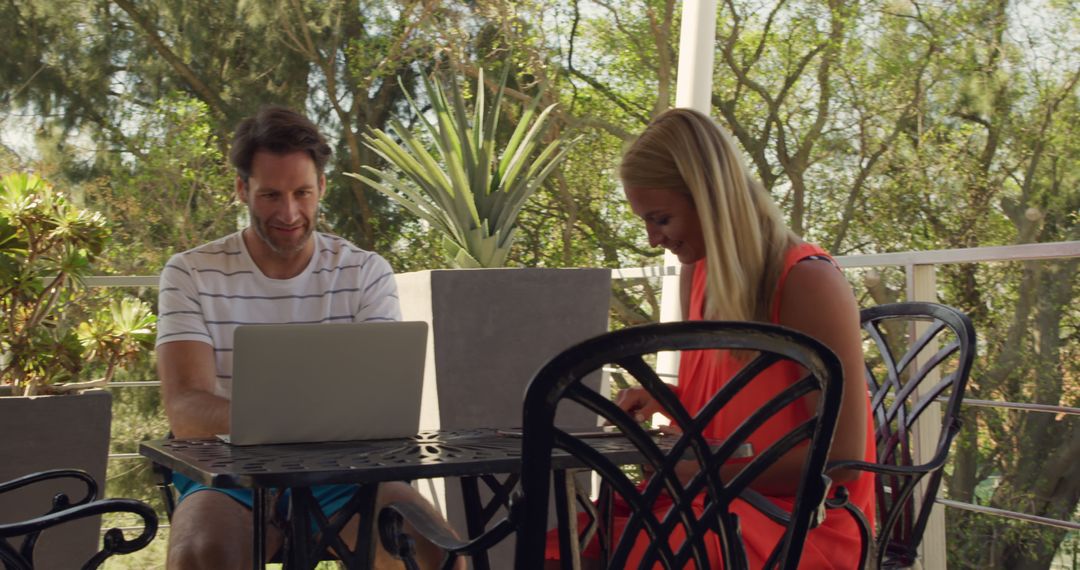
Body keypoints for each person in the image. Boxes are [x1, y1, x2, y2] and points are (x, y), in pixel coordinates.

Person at [546, 108, 876, 568]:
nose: (652, 238)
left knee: (643, 554)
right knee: (559, 547)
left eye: (661, 219)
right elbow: (737, 407)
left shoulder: (807, 281)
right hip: (711, 501)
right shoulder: (696, 272)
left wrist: (696, 472)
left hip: (802, 521)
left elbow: (841, 459)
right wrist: (669, 400)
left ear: (710, 198)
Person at [156, 105, 456, 569]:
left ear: (322, 189)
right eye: (270, 195)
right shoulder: (191, 272)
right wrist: (300, 421)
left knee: (435, 552)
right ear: (242, 189)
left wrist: (270, 420)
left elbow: (381, 404)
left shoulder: (364, 271)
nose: (289, 212)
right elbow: (185, 413)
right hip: (229, 479)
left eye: (303, 192)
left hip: (348, 477)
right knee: (201, 554)